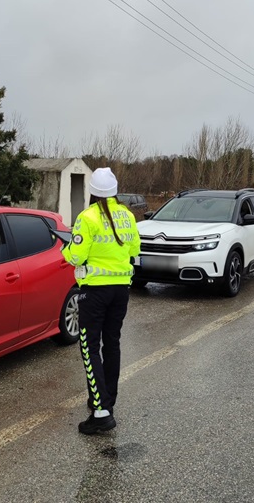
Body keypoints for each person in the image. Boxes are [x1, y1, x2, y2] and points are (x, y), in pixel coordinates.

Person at [61, 167, 141, 435]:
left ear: (92, 193)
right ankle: (106, 400)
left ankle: (100, 411)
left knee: (89, 347)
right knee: (112, 344)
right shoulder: (128, 215)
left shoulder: (88, 217)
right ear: (115, 191)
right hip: (121, 290)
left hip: (94, 292)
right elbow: (134, 250)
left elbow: (75, 256)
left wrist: (66, 246)